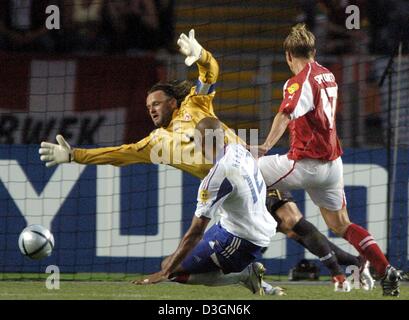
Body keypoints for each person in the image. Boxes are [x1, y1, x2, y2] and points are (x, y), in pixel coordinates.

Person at [39, 29, 368, 292]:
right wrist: (73, 155)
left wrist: (201, 55)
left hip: (248, 173)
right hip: (225, 192)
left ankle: (346, 267)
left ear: (172, 100)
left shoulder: (194, 104)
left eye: (157, 102)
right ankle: (340, 265)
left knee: (292, 221)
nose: (152, 108)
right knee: (284, 226)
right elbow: (114, 155)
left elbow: (210, 72)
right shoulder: (153, 143)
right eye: (148, 106)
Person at [254, 23, 402, 296]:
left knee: (246, 171)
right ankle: (385, 269)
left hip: (304, 163)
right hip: (332, 165)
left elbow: (285, 114)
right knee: (341, 225)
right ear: (313, 50)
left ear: (289, 55)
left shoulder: (298, 81)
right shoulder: (328, 75)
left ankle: (246, 246)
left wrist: (264, 146)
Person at [132, 117, 282, 295]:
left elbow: (196, 232)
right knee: (176, 262)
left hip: (241, 239)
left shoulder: (217, 177)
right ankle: (257, 281)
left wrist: (164, 273)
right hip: (237, 227)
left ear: (199, 141)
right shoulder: (237, 149)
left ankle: (243, 274)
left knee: (171, 269)